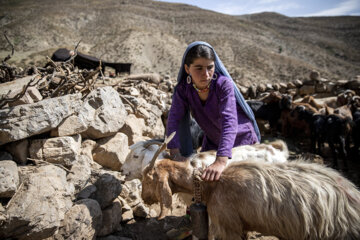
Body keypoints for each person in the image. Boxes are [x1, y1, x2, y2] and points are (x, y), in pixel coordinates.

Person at [166, 41, 261, 181]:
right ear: (187, 69)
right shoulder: (183, 89)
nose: (205, 74)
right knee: (203, 184)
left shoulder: (223, 85)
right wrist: (174, 152)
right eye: (198, 68)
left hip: (241, 140)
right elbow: (174, 119)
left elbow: (229, 120)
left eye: (210, 67)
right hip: (213, 140)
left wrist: (221, 160)